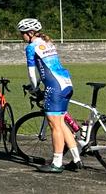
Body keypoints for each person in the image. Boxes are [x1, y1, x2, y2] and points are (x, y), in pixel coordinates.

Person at [18, 18, 82, 173]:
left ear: (30, 33)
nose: (22, 37)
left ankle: (57, 163)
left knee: (54, 126)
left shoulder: (31, 47)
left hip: (55, 88)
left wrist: (34, 88)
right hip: (66, 83)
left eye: (23, 34)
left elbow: (32, 74)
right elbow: (46, 69)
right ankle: (76, 159)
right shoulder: (48, 43)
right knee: (61, 123)